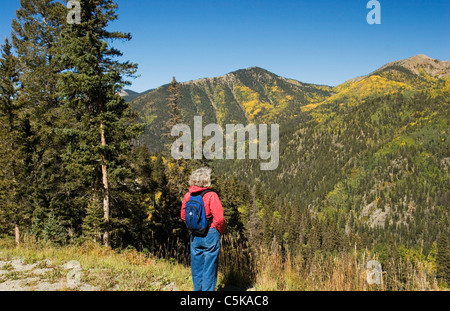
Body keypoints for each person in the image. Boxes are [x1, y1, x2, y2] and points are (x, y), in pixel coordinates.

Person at [181, 167, 225, 291]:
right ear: (207, 180)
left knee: (196, 266)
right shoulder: (211, 195)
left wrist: (194, 226)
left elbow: (183, 216)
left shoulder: (188, 195)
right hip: (210, 233)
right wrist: (218, 230)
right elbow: (220, 218)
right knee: (210, 266)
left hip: (195, 234)